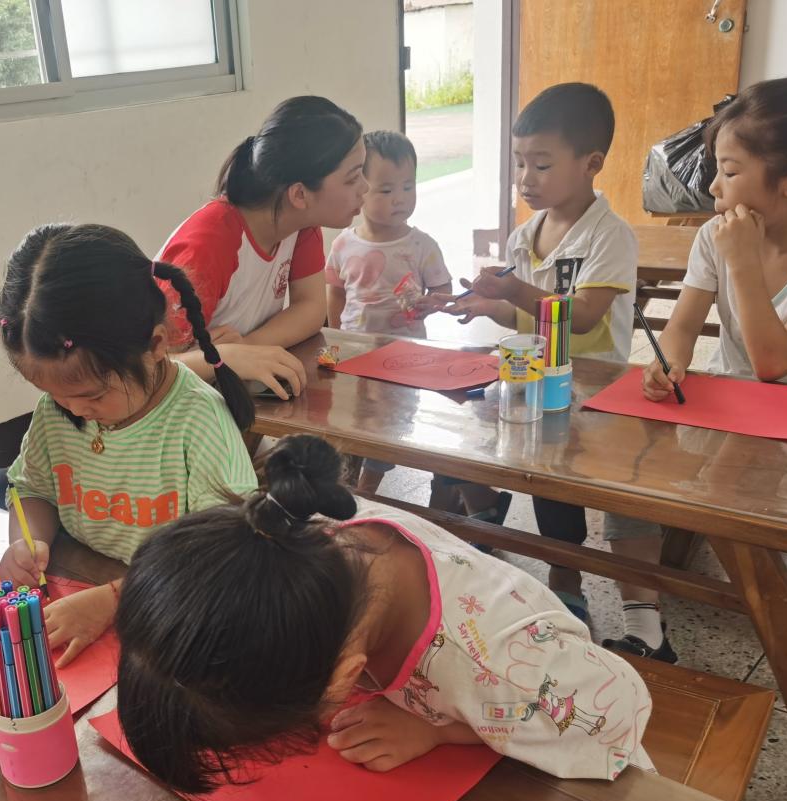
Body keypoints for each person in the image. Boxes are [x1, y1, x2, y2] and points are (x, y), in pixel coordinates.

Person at [114, 434, 652, 795]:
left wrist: (445, 731)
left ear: (345, 678)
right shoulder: (295, 531)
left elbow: (619, 720)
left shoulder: (501, 667)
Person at [440, 83, 664, 656]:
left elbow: (582, 318)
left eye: (541, 164)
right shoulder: (526, 235)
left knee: (568, 485)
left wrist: (511, 288)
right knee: (524, 468)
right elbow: (524, 313)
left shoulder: (608, 235)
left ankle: (568, 577)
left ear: (591, 163)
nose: (526, 178)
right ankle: (501, 531)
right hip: (531, 377)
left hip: (594, 387)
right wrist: (482, 304)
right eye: (520, 163)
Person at [0, 223, 257, 666]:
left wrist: (115, 599)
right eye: (55, 394)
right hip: (80, 577)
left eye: (93, 395)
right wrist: (26, 543)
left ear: (156, 345)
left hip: (172, 608)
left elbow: (221, 553)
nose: (74, 411)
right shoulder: (58, 411)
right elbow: (32, 490)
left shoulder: (198, 421)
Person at [642, 76, 787, 611]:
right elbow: (682, 325)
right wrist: (669, 361)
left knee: (782, 525)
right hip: (734, 407)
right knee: (666, 479)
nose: (713, 187)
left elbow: (774, 363)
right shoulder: (714, 237)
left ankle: (786, 589)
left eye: (729, 172)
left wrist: (743, 261)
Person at [158, 95, 368, 399]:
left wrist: (245, 347)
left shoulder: (302, 225)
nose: (365, 187)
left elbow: (311, 309)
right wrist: (224, 358)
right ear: (299, 194)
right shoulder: (208, 245)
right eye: (353, 178)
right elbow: (150, 368)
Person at [325, 129, 453, 494]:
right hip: (353, 353)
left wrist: (432, 302)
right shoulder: (344, 243)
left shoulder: (421, 245)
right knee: (351, 416)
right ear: (360, 189)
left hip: (403, 355)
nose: (400, 199)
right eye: (386, 190)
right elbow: (335, 292)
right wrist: (335, 339)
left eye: (408, 187)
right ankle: (345, 479)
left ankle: (368, 485)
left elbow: (443, 289)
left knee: (391, 421)